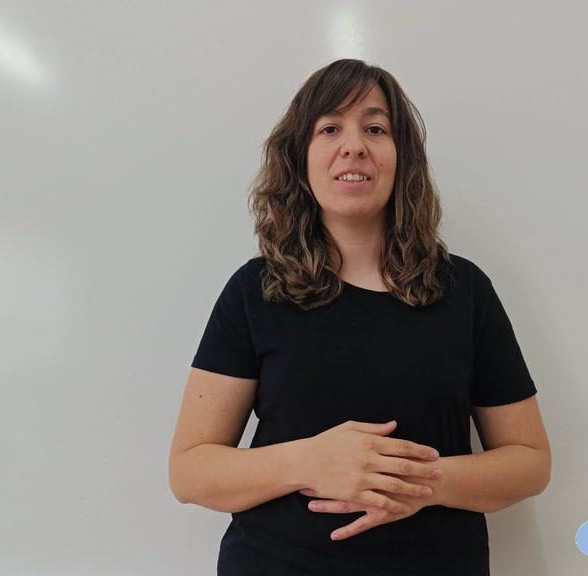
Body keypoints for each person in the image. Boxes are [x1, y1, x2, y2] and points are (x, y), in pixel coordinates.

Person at [169, 58, 551, 576]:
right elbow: (190, 471)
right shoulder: (255, 291)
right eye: (330, 128)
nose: (354, 146)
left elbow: (530, 462)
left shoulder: (464, 290)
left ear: (402, 158)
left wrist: (413, 482)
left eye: (375, 128)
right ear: (300, 157)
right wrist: (309, 461)